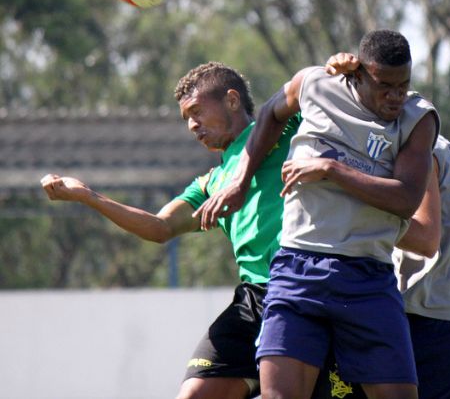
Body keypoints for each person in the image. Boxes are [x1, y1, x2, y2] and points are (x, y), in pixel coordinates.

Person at [195, 30, 440, 399]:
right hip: (298, 269)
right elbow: (269, 114)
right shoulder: (316, 84)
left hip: (368, 278)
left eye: (403, 85)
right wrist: (241, 181)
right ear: (357, 75)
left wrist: (331, 169)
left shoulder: (417, 118)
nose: (395, 96)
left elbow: (406, 198)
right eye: (385, 86)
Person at [40, 61, 302, 399]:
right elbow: (160, 227)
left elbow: (301, 90)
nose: (192, 125)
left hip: (301, 284)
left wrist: (340, 66)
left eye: (196, 111)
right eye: (186, 119)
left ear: (232, 100)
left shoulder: (278, 128)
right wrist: (88, 197)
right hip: (255, 297)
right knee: (194, 394)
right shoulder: (211, 182)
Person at [312, 56, 450, 399]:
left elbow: (425, 238)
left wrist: (346, 211)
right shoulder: (445, 151)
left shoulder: (420, 153)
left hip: (427, 325)